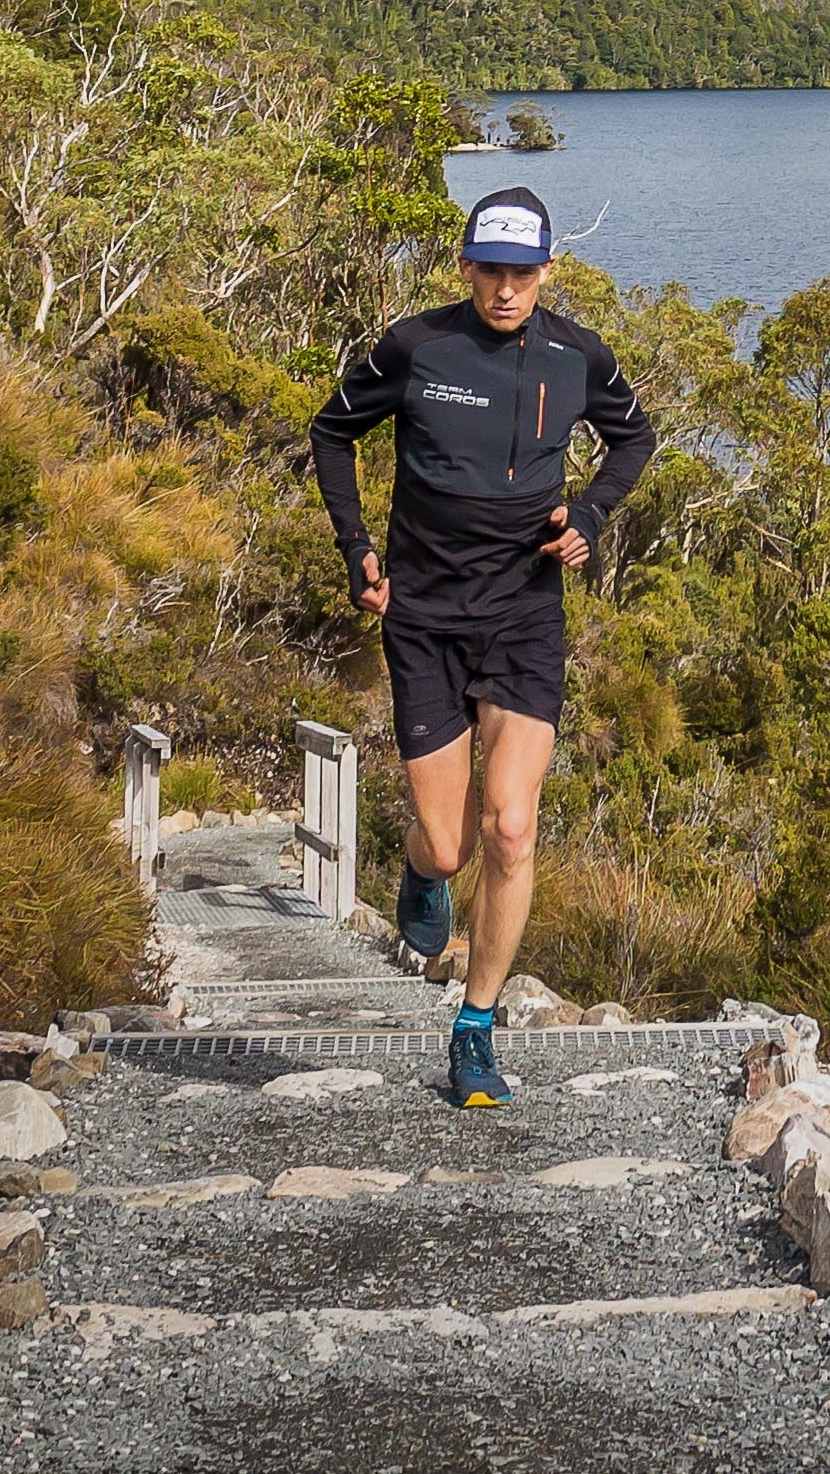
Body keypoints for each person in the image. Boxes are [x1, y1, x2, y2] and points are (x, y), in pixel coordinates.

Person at [307, 184, 655, 1107]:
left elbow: (634, 438)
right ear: (465, 267)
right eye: (489, 270)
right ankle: (421, 877)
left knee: (510, 824)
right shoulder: (417, 346)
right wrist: (357, 549)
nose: (505, 288)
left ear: (547, 270)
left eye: (522, 272)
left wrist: (589, 512)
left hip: (523, 613)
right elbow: (331, 429)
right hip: (421, 613)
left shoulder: (579, 355)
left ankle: (475, 1025)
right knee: (450, 843)